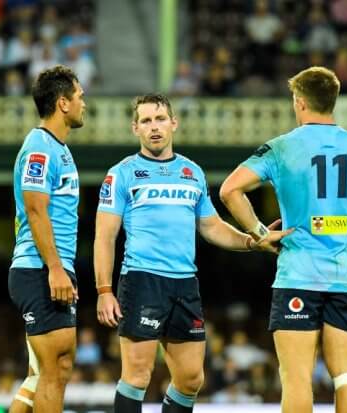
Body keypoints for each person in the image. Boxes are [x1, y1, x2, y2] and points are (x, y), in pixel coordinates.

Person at [219, 66, 347, 413]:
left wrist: (259, 233)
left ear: (299, 102)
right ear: (333, 101)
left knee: (297, 380)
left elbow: (230, 190)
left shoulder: (281, 148)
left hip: (298, 275)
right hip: (345, 277)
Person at [93, 93, 291, 413]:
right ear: (135, 128)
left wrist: (252, 240)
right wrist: (104, 290)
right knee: (138, 375)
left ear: (174, 123)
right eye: (146, 121)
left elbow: (212, 227)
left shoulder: (192, 172)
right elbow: (105, 235)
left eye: (159, 119)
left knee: (190, 379)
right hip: (143, 280)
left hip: (185, 284)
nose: (154, 127)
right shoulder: (122, 173)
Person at [7, 64, 86, 413]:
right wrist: (55, 268)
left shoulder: (58, 148)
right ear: (63, 104)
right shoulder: (40, 148)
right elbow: (35, 210)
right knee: (56, 368)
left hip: (50, 267)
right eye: (80, 96)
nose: (85, 103)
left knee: (44, 373)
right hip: (39, 268)